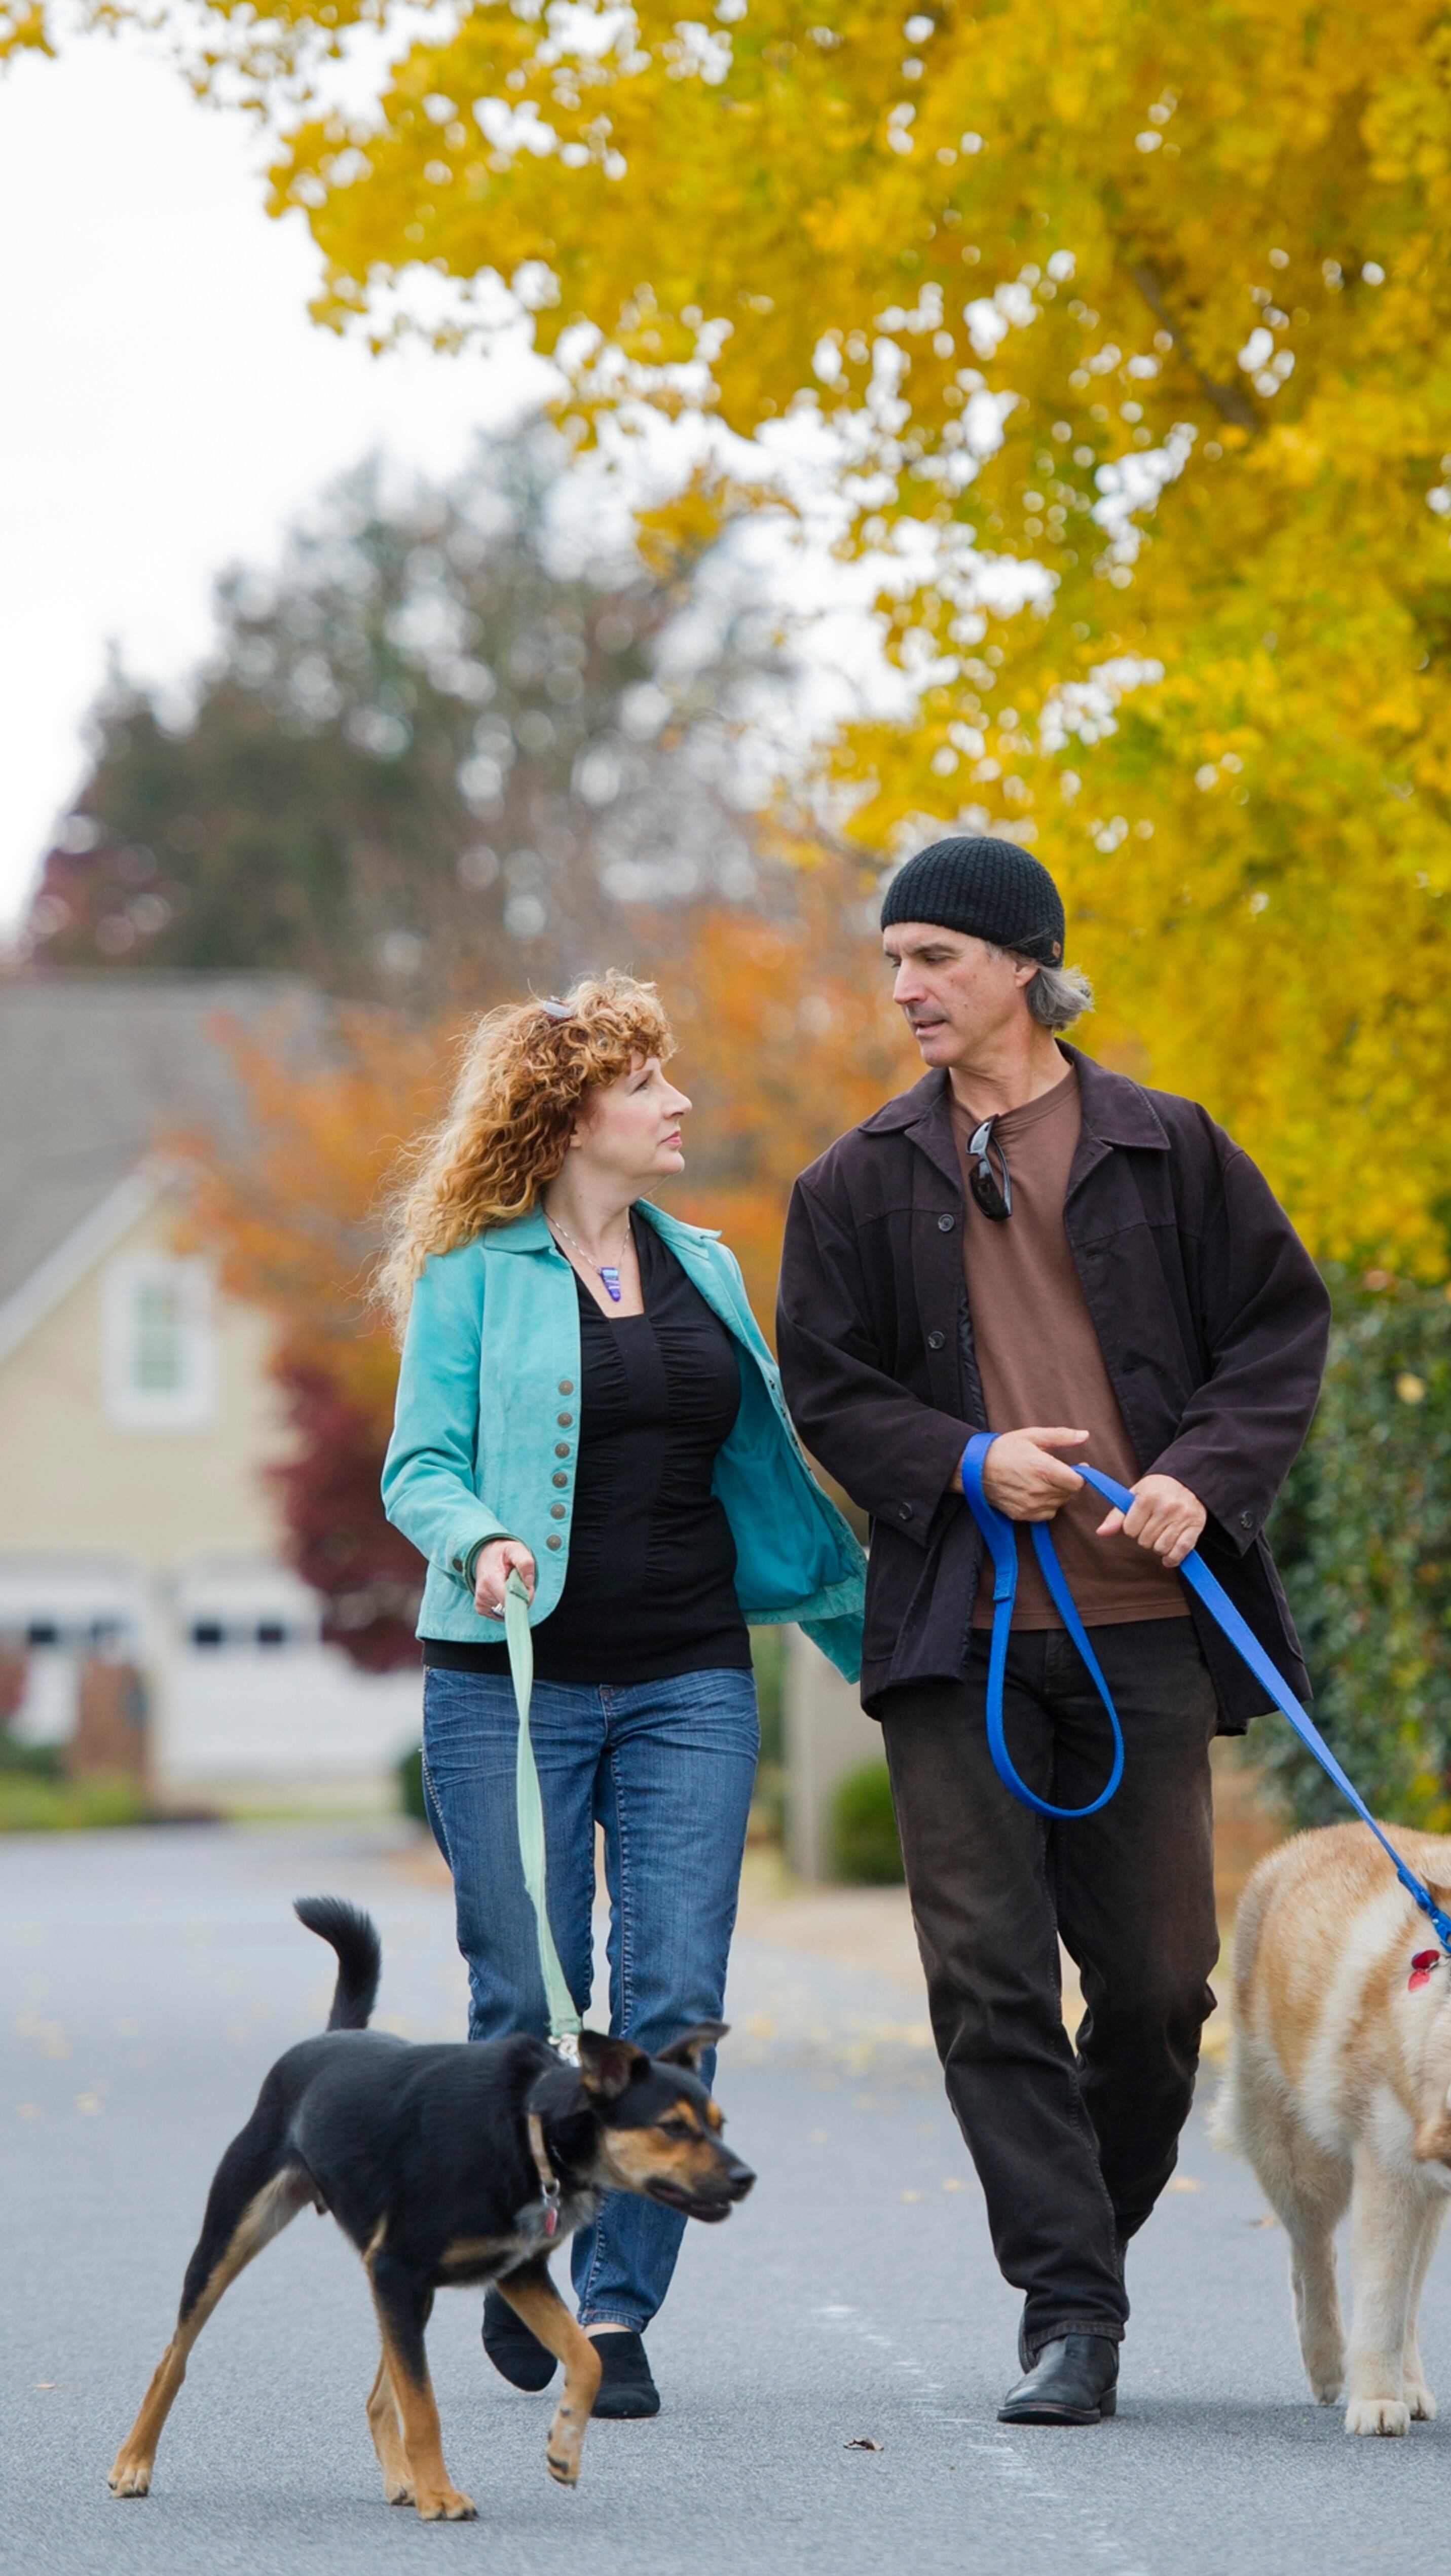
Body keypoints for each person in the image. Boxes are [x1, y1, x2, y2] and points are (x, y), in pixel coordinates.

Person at [776, 836, 1331, 2426]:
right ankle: (1072, 2310)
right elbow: (831, 1387)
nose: (904, 990)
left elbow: (1278, 1336)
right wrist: (966, 1461)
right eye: (892, 963)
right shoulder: (854, 1180)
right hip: (960, 1632)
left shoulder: (1174, 1148)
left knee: (1160, 1986)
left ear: (1026, 964)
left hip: (1150, 1619)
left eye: (934, 957)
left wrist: (1197, 1480)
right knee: (990, 1983)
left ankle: (1081, 2240)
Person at [379, 972, 864, 2418]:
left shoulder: (706, 1264)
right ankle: (520, 2253)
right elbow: (419, 1468)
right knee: (524, 1993)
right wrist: (483, 1540)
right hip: (506, 1680)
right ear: (572, 1112)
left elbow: (763, 1454)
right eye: (649, 1081)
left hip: (690, 1674)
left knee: (671, 1994)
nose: (679, 1104)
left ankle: (620, 2306)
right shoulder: (473, 1275)